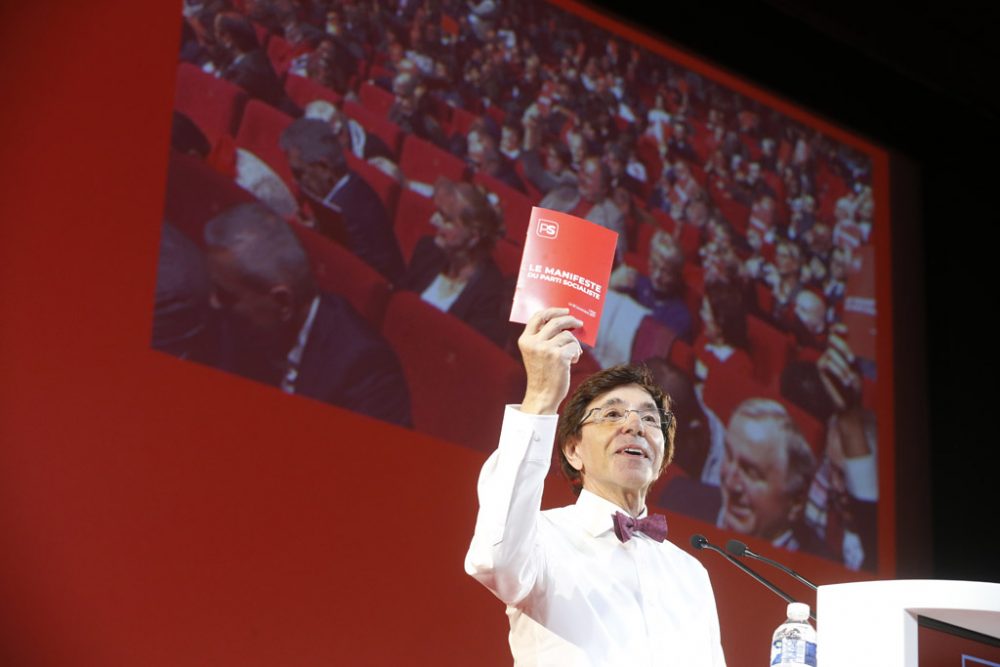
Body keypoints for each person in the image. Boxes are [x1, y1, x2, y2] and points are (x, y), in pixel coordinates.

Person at [465, 308, 727, 666]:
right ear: (574, 451)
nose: (635, 425)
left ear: (664, 455)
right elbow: (493, 561)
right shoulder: (541, 538)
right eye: (612, 414)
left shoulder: (692, 574)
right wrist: (541, 398)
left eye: (650, 418)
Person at [202, 201, 411, 426]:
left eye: (226, 295)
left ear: (283, 303)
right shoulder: (239, 325)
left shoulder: (366, 371)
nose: (213, 302)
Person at [278, 118, 404, 282]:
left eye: (299, 173)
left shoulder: (350, 210)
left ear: (324, 168)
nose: (296, 181)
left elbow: (353, 276)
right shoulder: (349, 188)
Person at [398, 179, 510, 346]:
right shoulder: (427, 250)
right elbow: (400, 307)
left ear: (473, 237)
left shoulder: (490, 293)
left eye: (448, 220)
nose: (434, 221)